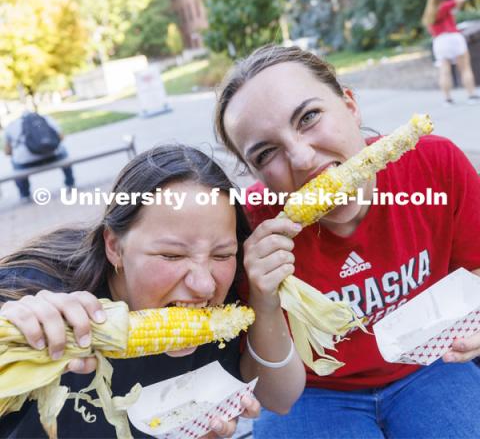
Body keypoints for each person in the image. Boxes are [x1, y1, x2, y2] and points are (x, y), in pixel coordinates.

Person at [214, 44, 480, 438]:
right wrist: (263, 297)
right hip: (312, 393)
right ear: (255, 173)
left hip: (429, 363)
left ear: (351, 105)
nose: (302, 158)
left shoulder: (433, 163)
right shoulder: (248, 229)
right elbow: (274, 397)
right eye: (267, 152)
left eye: (309, 117)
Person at [0, 144, 305, 438]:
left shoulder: (228, 297)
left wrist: (266, 301)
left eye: (222, 254)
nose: (205, 285)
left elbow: (281, 399)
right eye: (172, 255)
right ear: (114, 247)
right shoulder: (28, 293)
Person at [422, 0, 479, 105]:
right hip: (453, 38)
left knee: (444, 71)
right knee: (465, 68)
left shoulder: (429, 14)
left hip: (439, 42)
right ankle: (471, 95)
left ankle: (447, 99)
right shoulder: (444, 7)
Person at [4, 110, 75, 203]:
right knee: (63, 152)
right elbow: (61, 137)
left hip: (26, 163)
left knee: (15, 162)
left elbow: (7, 152)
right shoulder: (46, 118)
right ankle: (70, 183)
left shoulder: (11, 125)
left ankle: (25, 194)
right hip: (53, 156)